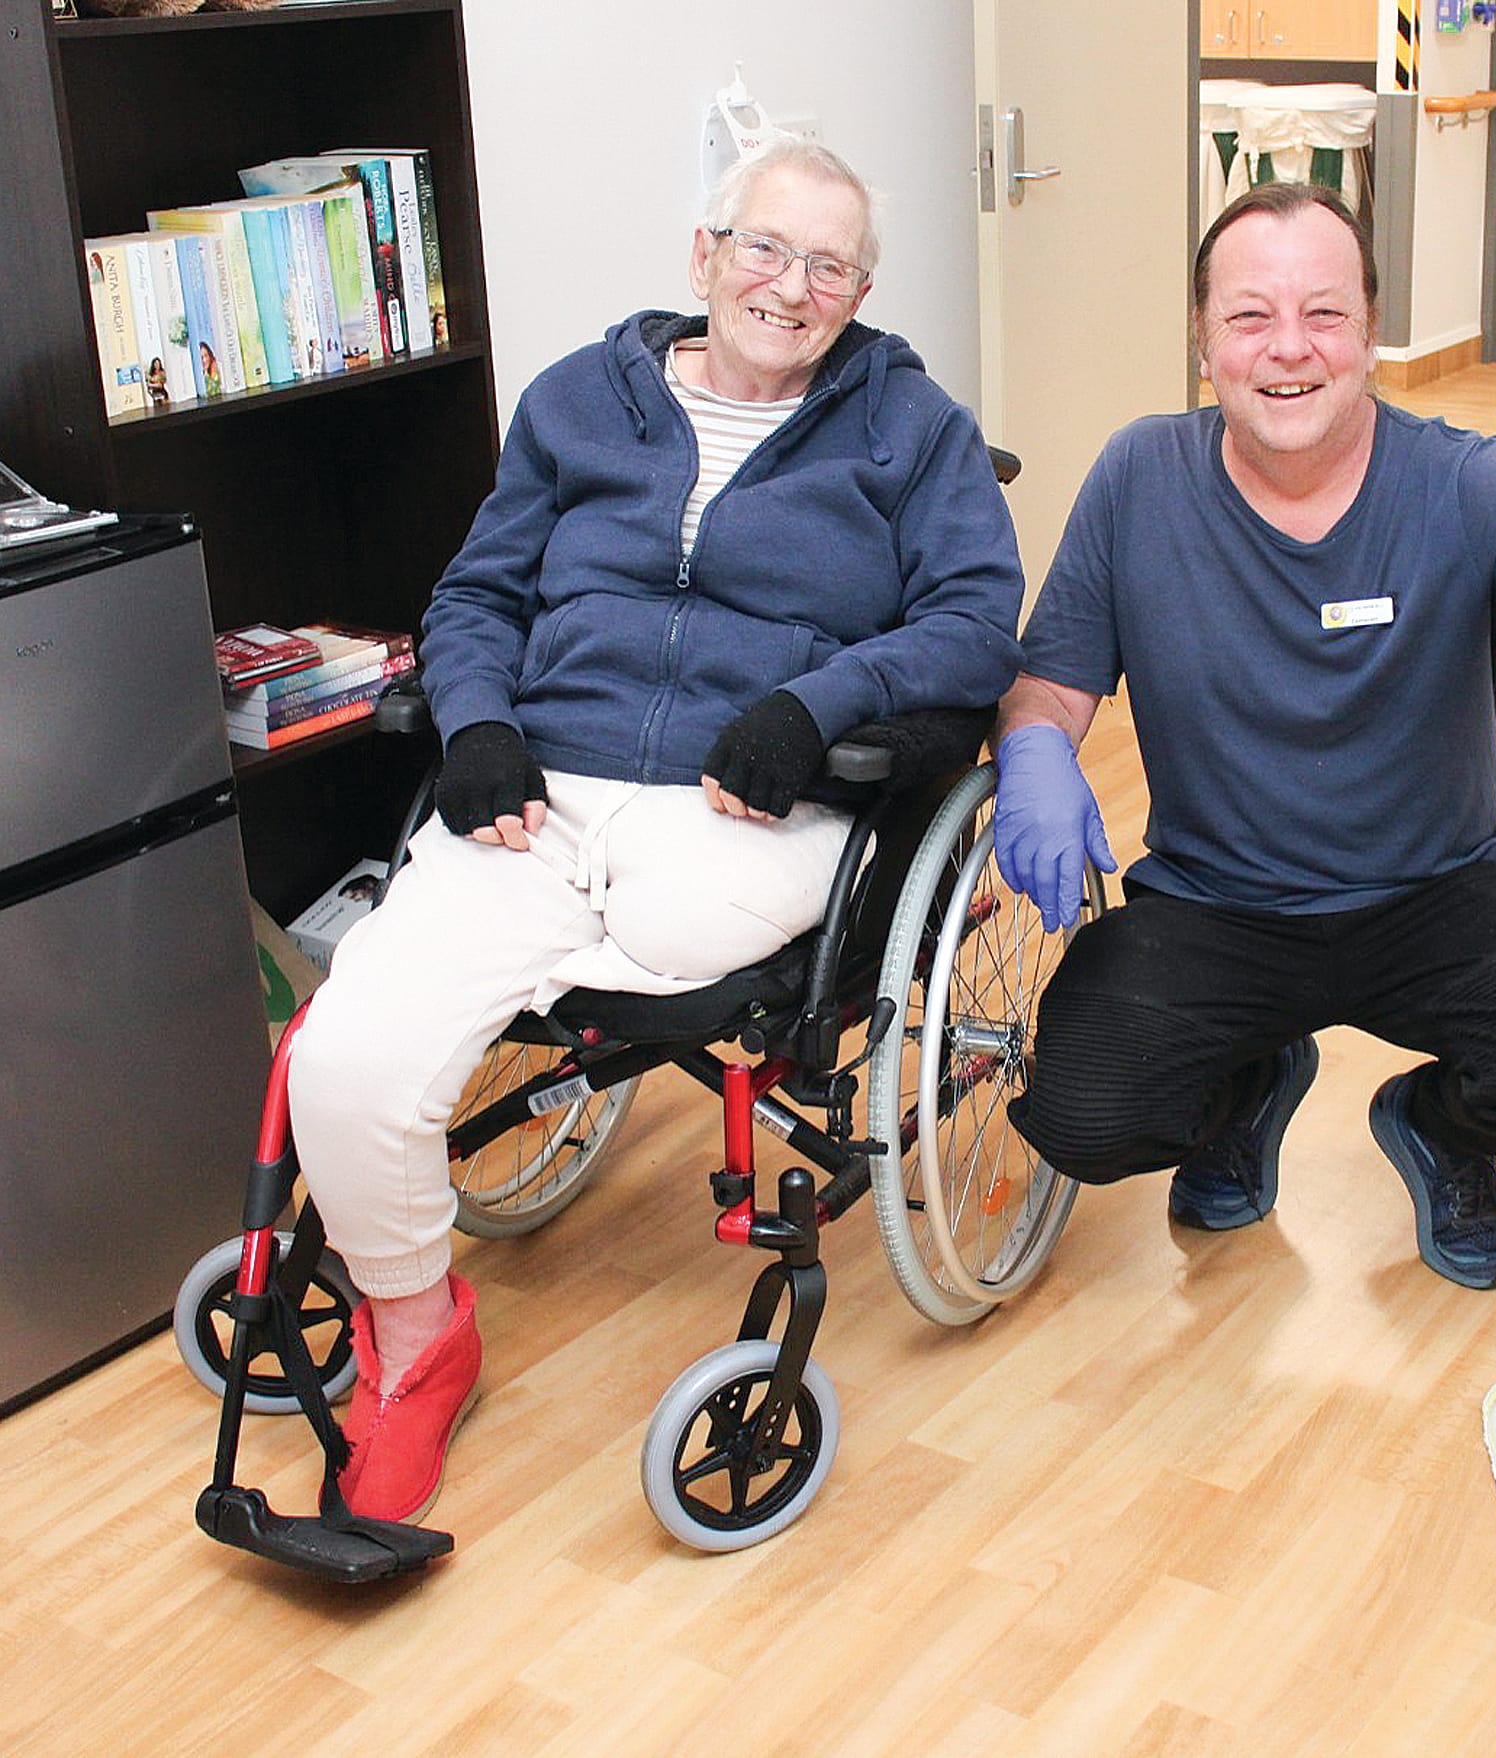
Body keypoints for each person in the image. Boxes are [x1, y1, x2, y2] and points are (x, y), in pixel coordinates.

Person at [288, 139, 1024, 1524]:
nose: (789, 287)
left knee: (671, 928)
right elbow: (476, 596)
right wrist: (479, 723)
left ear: (860, 294)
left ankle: (483, 974)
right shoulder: (579, 399)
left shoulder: (911, 430)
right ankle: (417, 1334)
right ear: (705, 254)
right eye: (764, 248)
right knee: (347, 1059)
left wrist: (813, 705)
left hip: (744, 801)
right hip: (542, 793)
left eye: (828, 267)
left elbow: (978, 624)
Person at [991, 181, 1496, 1288]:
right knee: (1083, 1114)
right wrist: (1033, 750)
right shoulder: (1138, 477)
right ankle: (1243, 1089)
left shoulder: (1463, 480)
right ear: (1202, 340)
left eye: (1324, 313)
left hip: (1437, 894)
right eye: (1249, 316)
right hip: (1216, 905)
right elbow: (1051, 681)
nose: (1288, 348)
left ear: (1368, 332)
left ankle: (1439, 1127)